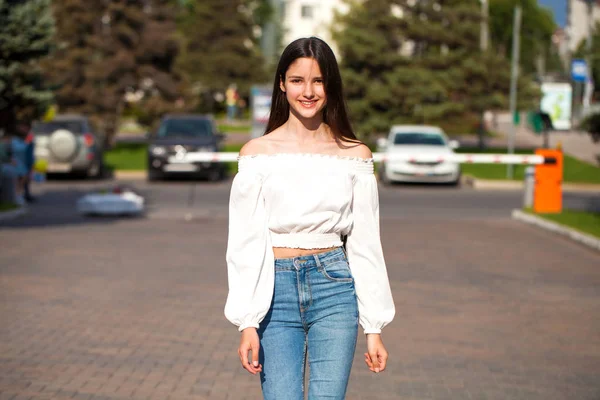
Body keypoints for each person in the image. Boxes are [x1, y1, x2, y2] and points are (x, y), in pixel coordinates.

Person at [224, 37, 395, 400]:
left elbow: (365, 244)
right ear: (282, 84)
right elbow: (245, 244)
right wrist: (247, 321)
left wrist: (374, 326)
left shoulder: (354, 156)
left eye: (318, 81)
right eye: (298, 80)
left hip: (334, 288)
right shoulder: (257, 156)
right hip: (275, 293)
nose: (308, 91)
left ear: (330, 86)